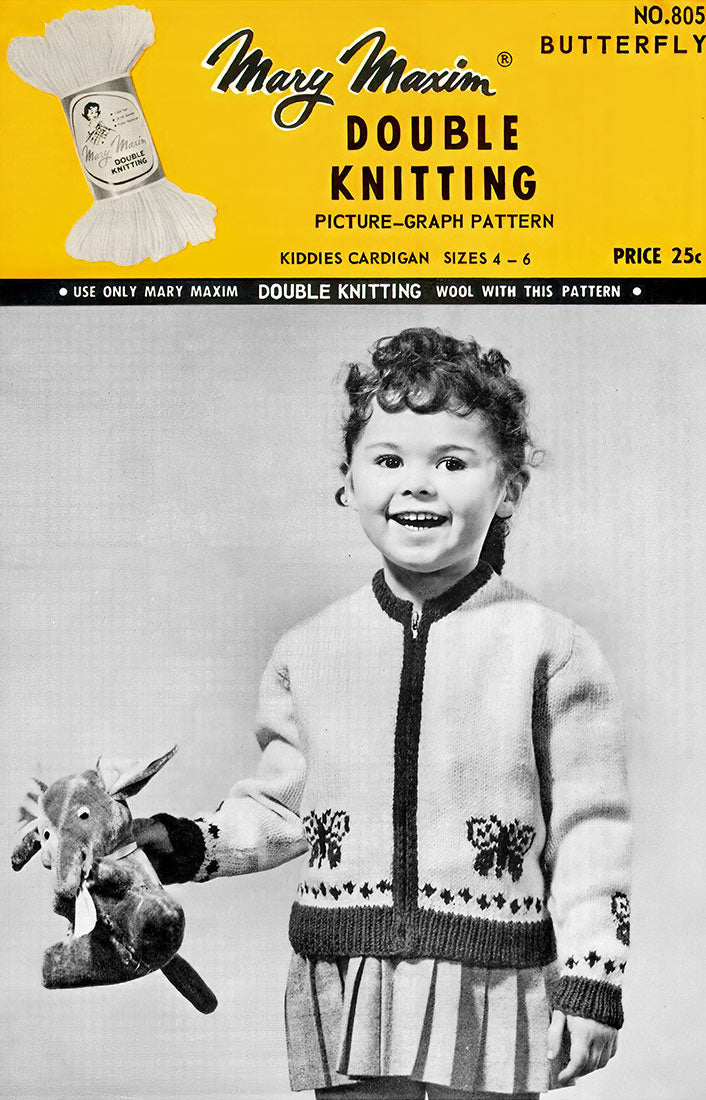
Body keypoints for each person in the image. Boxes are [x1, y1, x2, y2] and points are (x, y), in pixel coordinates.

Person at [136, 327, 631, 1099]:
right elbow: (281, 809)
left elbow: (589, 826)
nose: (418, 484)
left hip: (492, 976)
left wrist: (593, 976)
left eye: (452, 463)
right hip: (346, 972)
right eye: (389, 460)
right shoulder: (309, 650)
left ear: (508, 488)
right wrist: (179, 842)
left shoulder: (551, 648)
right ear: (350, 481)